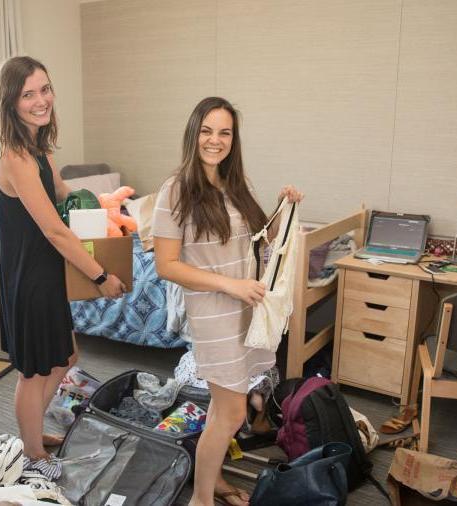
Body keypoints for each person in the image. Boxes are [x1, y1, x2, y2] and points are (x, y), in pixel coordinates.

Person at [153, 97, 303, 506]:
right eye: (206, 131)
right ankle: (201, 500)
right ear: (193, 134)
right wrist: (229, 285)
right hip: (215, 312)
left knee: (225, 412)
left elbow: (257, 243)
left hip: (243, 308)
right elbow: (166, 265)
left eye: (224, 133)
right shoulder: (177, 190)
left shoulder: (235, 185)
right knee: (233, 412)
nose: (215, 140)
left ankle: (213, 480)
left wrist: (282, 209)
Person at [0, 56, 126, 479]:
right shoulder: (15, 156)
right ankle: (31, 451)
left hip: (47, 273)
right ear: (10, 102)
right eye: (28, 93)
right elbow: (53, 230)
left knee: (66, 356)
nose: (40, 100)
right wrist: (100, 275)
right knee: (36, 371)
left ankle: (31, 433)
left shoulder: (37, 148)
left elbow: (64, 193)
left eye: (45, 89)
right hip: (30, 277)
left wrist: (102, 206)